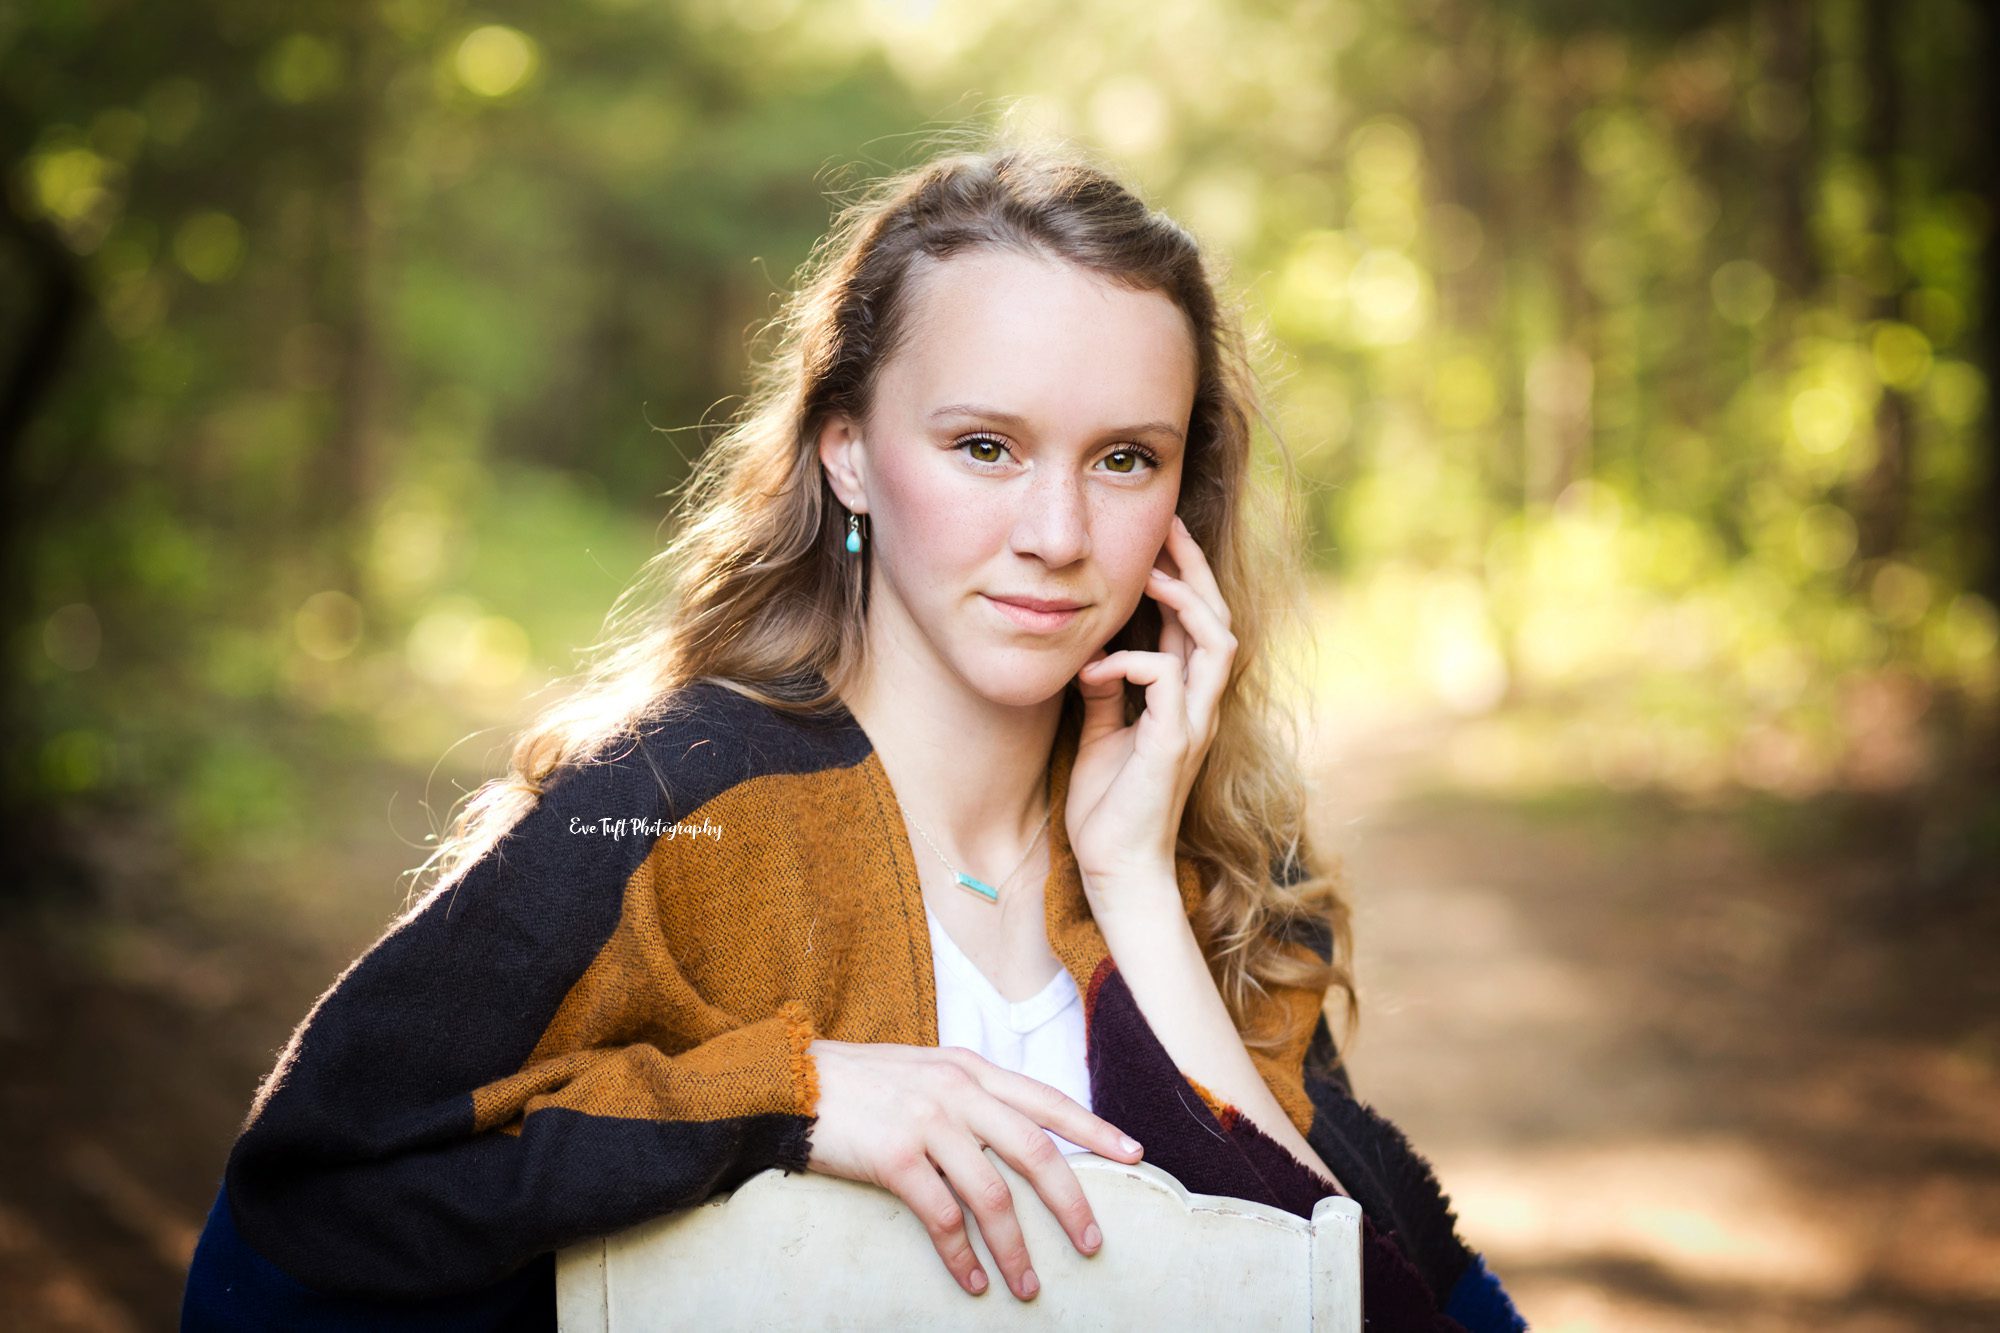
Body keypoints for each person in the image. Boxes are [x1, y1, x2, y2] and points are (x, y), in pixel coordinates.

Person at [181, 134, 1527, 1331]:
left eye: (1124, 457)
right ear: (847, 452)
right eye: (985, 446)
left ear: (1186, 491)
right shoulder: (663, 794)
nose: (1058, 537)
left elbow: (1367, 1306)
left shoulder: (1218, 856)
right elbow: (313, 1199)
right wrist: (792, 1096)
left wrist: (1129, 882)